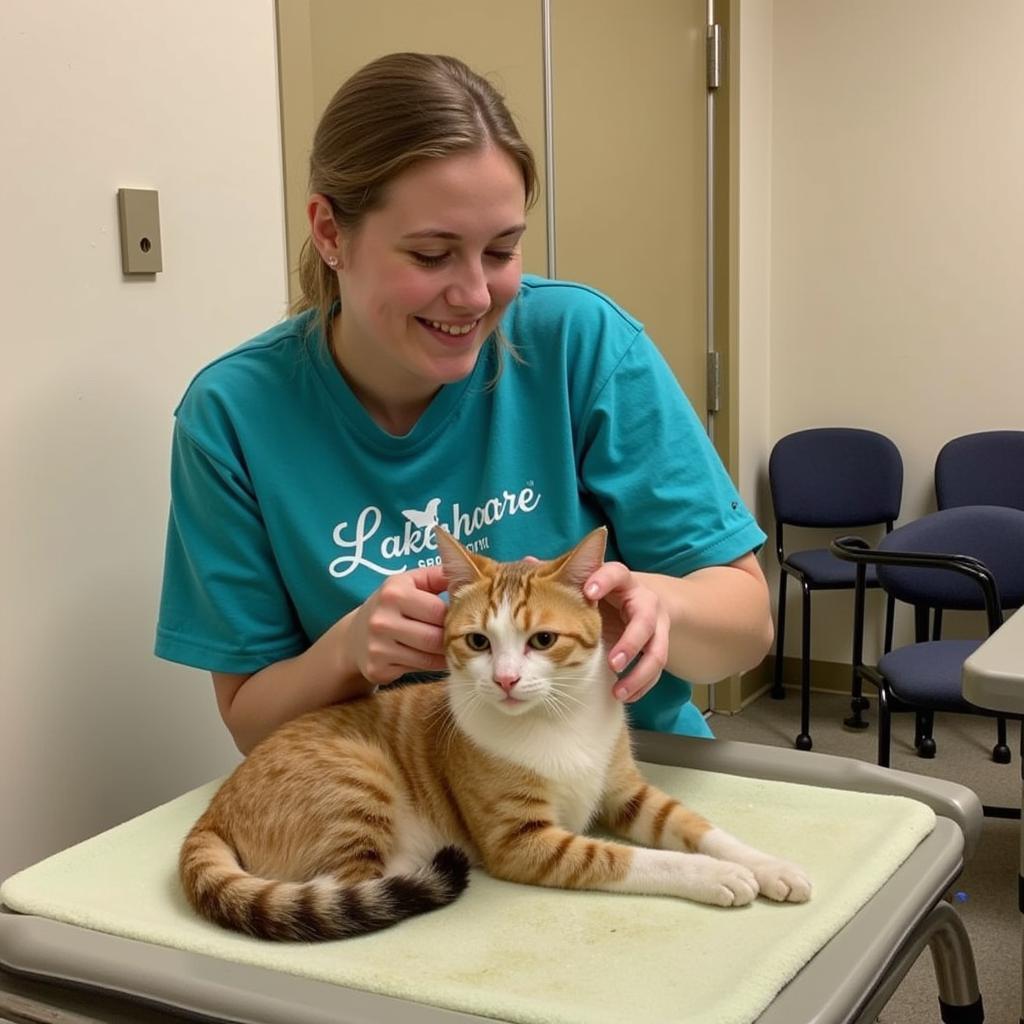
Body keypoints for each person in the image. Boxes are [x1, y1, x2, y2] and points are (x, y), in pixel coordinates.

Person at [155, 52, 773, 755]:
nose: (476, 296)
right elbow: (251, 722)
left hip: (628, 772)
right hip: (421, 802)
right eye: (431, 255)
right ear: (330, 232)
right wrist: (349, 650)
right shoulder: (234, 416)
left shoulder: (579, 343)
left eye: (502, 251)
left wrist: (667, 607)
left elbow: (747, 627)